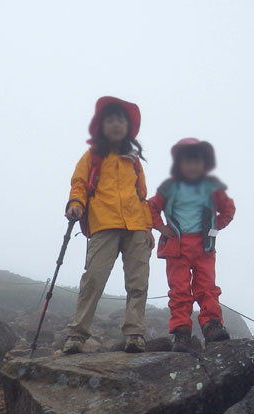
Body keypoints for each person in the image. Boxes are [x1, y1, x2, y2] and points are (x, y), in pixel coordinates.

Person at [62, 96, 154, 354]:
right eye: (111, 120)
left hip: (136, 224)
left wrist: (147, 227)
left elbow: (142, 195)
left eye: (121, 120)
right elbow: (79, 183)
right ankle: (77, 335)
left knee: (138, 282)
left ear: (128, 126)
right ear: (102, 125)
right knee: (94, 278)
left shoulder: (133, 160)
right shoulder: (92, 156)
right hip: (104, 222)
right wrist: (75, 203)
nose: (116, 124)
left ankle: (135, 334)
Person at [148, 138, 236, 353]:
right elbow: (150, 207)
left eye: (197, 161)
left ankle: (212, 327)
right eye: (188, 161)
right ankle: (181, 334)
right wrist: (160, 227)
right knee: (179, 290)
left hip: (204, 247)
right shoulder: (169, 187)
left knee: (207, 288)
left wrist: (216, 227)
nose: (193, 166)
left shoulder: (212, 188)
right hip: (177, 248)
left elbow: (228, 208)